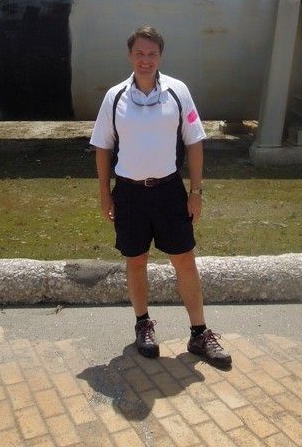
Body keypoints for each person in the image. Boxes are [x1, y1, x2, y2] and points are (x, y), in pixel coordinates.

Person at [90, 26, 231, 368]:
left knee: (184, 260)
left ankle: (199, 334)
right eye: (139, 53)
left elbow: (195, 142)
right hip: (129, 193)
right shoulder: (115, 97)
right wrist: (105, 195)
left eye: (152, 54)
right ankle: (143, 326)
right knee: (136, 260)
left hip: (169, 191)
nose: (145, 60)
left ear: (160, 57)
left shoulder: (178, 92)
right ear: (130, 56)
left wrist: (196, 192)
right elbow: (103, 148)